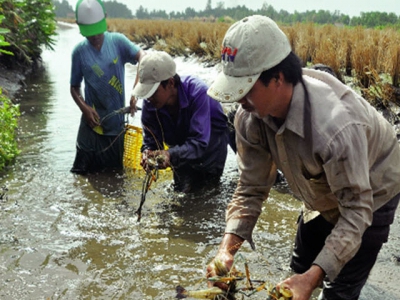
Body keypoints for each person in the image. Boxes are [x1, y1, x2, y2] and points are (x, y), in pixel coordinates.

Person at [205, 15, 400, 300]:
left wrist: (312, 278)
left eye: (245, 89)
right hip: (319, 187)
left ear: (278, 78)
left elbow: (357, 212)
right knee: (295, 271)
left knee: (338, 291)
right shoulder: (250, 117)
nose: (238, 100)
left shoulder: (334, 127)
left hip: (374, 190)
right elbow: (250, 188)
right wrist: (226, 251)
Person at [132, 51, 230, 193]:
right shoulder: (150, 102)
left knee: (208, 192)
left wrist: (170, 154)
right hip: (179, 147)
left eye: (152, 92)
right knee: (180, 191)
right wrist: (148, 153)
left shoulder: (199, 93)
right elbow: (151, 140)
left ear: (170, 83)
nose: (148, 99)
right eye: (145, 93)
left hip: (210, 144)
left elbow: (199, 143)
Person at [70, 0, 145, 174]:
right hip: (90, 126)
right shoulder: (79, 52)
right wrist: (85, 109)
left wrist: (136, 91)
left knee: (113, 176)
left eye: (97, 32)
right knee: (80, 174)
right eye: (90, 33)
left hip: (115, 128)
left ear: (105, 18)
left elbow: (143, 56)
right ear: (79, 26)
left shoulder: (117, 42)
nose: (95, 37)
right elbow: (74, 88)